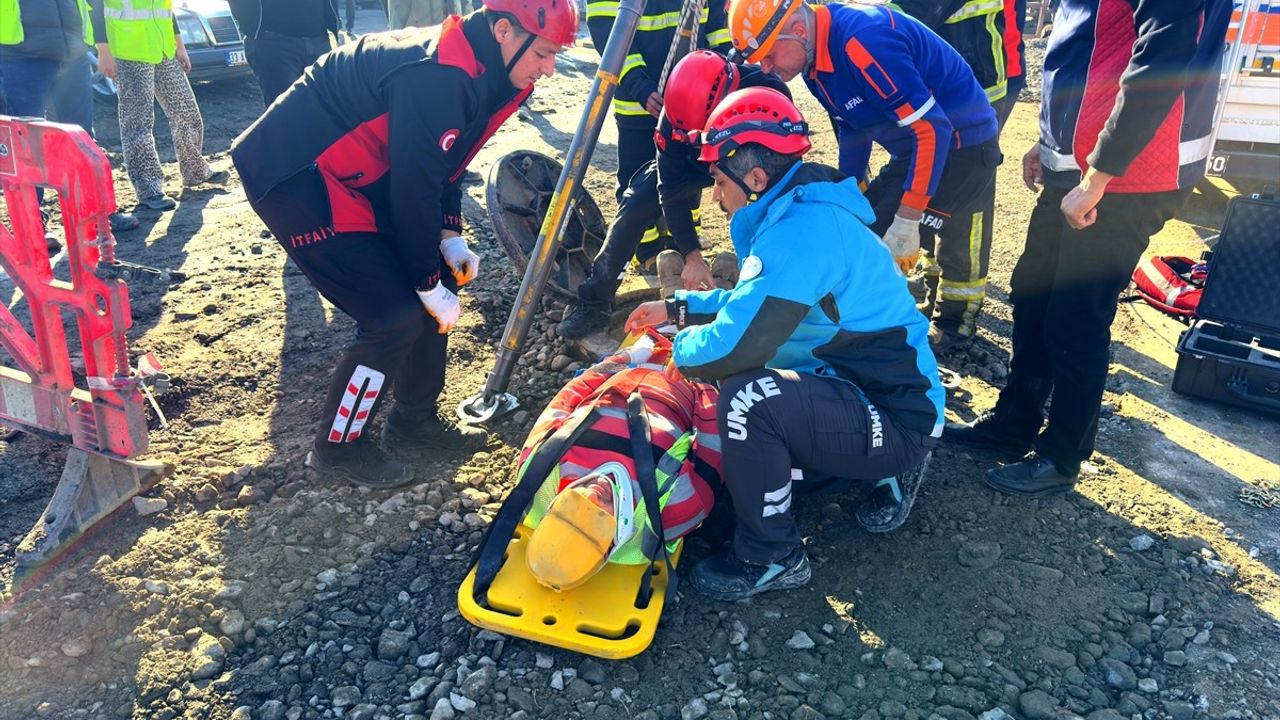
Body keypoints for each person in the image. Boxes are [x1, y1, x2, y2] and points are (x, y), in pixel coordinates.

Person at [230, 0, 579, 488]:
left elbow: (448, 163)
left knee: (441, 286)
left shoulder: (497, 74)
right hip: (295, 171)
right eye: (544, 53)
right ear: (504, 31)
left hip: (360, 170)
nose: (551, 68)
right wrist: (422, 278)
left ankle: (413, 420)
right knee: (392, 316)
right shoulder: (440, 74)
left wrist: (449, 235)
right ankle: (337, 447)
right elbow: (413, 186)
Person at [625, 88, 944, 601]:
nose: (714, 195)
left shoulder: (802, 231)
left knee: (747, 398)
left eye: (717, 180)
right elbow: (757, 300)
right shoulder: (799, 212)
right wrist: (679, 309)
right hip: (855, 386)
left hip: (895, 413)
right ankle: (849, 472)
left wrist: (679, 349)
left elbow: (739, 346)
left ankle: (773, 557)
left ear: (755, 179)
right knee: (752, 463)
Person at [947, 0, 1230, 495]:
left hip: (1129, 178)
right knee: (1033, 297)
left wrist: (1100, 174)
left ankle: (1061, 456)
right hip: (1081, 169)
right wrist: (1051, 141)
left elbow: (1161, 59)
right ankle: (1014, 424)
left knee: (1076, 318)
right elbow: (1086, 52)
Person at [726, 0, 1001, 350]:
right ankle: (900, 309)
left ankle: (951, 327)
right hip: (916, 145)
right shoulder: (813, 66)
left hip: (962, 143)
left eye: (768, 54)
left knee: (935, 233)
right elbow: (852, 129)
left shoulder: (862, 41)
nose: (765, 68)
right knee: (871, 227)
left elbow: (934, 129)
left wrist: (908, 217)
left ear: (796, 30)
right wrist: (850, 193)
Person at [557, 50, 785, 339]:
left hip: (748, 160)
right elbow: (670, 188)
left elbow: (781, 172)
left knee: (770, 209)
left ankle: (767, 289)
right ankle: (594, 300)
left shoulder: (768, 92)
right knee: (638, 199)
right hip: (692, 163)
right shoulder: (674, 115)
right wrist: (691, 255)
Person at [586, 0, 731, 268]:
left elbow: (718, 27)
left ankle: (683, 246)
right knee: (636, 178)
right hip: (638, 105)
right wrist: (640, 86)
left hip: (693, 101)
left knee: (686, 176)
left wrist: (722, 72)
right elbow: (610, 34)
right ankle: (648, 251)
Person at [0, 0, 138, 236]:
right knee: (25, 145)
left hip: (73, 53)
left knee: (81, 138)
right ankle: (31, 227)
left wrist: (99, 45)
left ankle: (96, 214)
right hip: (20, 56)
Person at [91, 0, 228, 211]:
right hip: (128, 52)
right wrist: (103, 50)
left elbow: (167, 10)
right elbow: (94, 8)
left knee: (186, 112)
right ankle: (149, 189)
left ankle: (195, 172)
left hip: (165, 50)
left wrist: (179, 45)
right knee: (138, 123)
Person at [227, 0, 338, 106]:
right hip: (273, 41)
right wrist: (249, 23)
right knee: (287, 116)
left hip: (320, 38)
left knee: (326, 113)